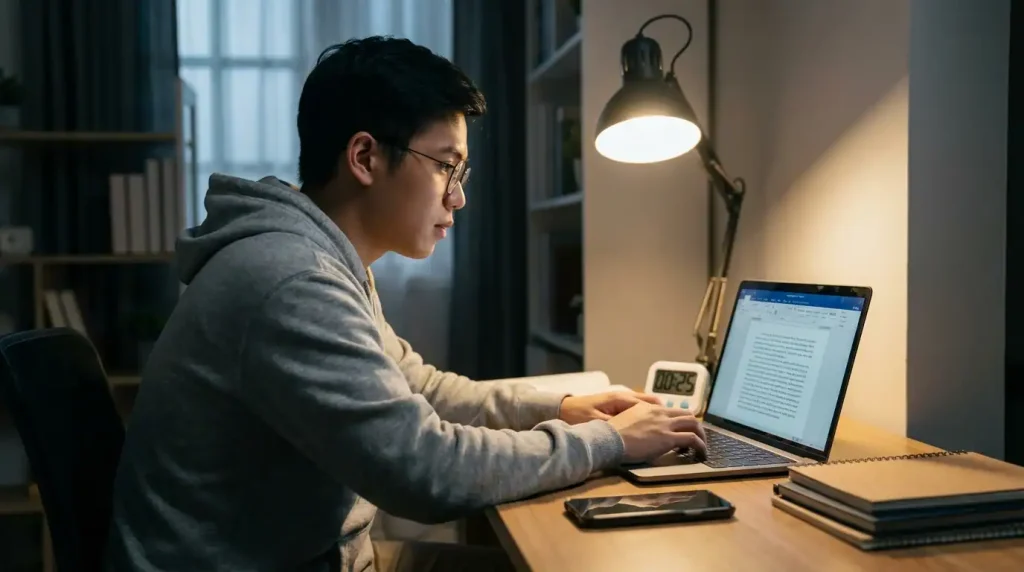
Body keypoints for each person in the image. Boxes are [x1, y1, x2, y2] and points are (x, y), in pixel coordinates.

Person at [104, 36, 706, 572]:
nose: (459, 196)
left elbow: (421, 388)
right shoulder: (291, 280)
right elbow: (426, 472)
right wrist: (612, 443)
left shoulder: (319, 259)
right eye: (447, 165)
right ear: (365, 157)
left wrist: (569, 406)